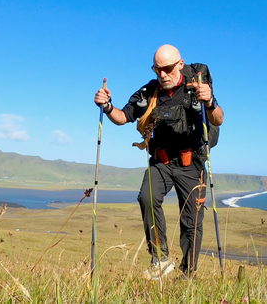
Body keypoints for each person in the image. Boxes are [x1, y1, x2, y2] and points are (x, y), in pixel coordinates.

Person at [94, 44, 224, 279]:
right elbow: (123, 117)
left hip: (191, 163)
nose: (162, 74)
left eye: (167, 68)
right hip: (161, 160)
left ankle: (188, 275)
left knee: (192, 221)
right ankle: (161, 259)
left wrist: (211, 101)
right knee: (146, 197)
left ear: (180, 65)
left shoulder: (197, 86)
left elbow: (219, 119)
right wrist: (107, 106)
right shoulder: (150, 91)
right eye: (157, 69)